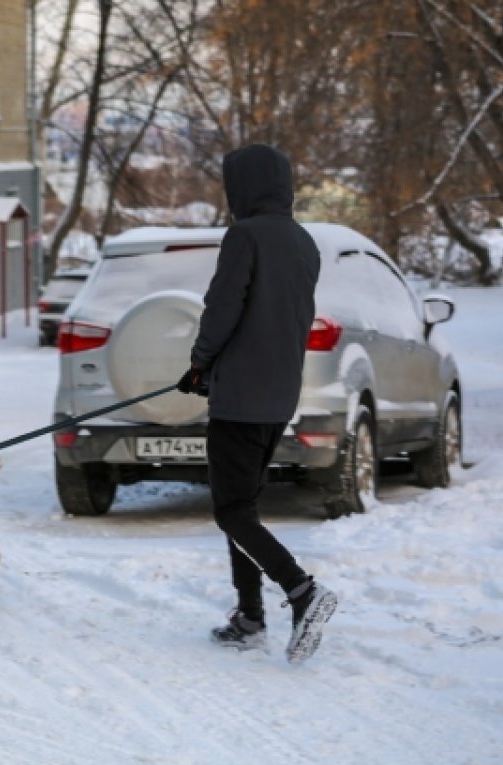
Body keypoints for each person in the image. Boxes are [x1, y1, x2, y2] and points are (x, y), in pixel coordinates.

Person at [177, 143, 337, 664]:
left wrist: (201, 362)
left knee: (232, 511)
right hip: (278, 396)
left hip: (240, 398)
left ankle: (301, 591)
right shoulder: (303, 241)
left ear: (241, 187)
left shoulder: (244, 236)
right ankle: (249, 617)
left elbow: (224, 306)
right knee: (240, 508)